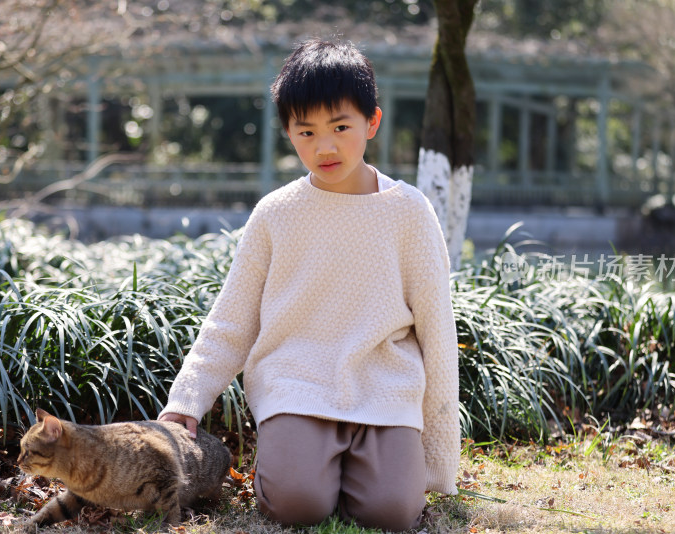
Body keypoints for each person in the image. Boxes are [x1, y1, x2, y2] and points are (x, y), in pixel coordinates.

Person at [159, 38, 459, 531]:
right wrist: (186, 402)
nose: (325, 146)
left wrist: (439, 452)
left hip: (384, 387)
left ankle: (358, 474)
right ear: (289, 134)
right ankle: (306, 467)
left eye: (341, 127)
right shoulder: (275, 214)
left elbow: (437, 330)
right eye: (306, 131)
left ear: (372, 123)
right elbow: (233, 318)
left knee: (393, 512)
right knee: (298, 504)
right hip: (296, 385)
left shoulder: (410, 213)